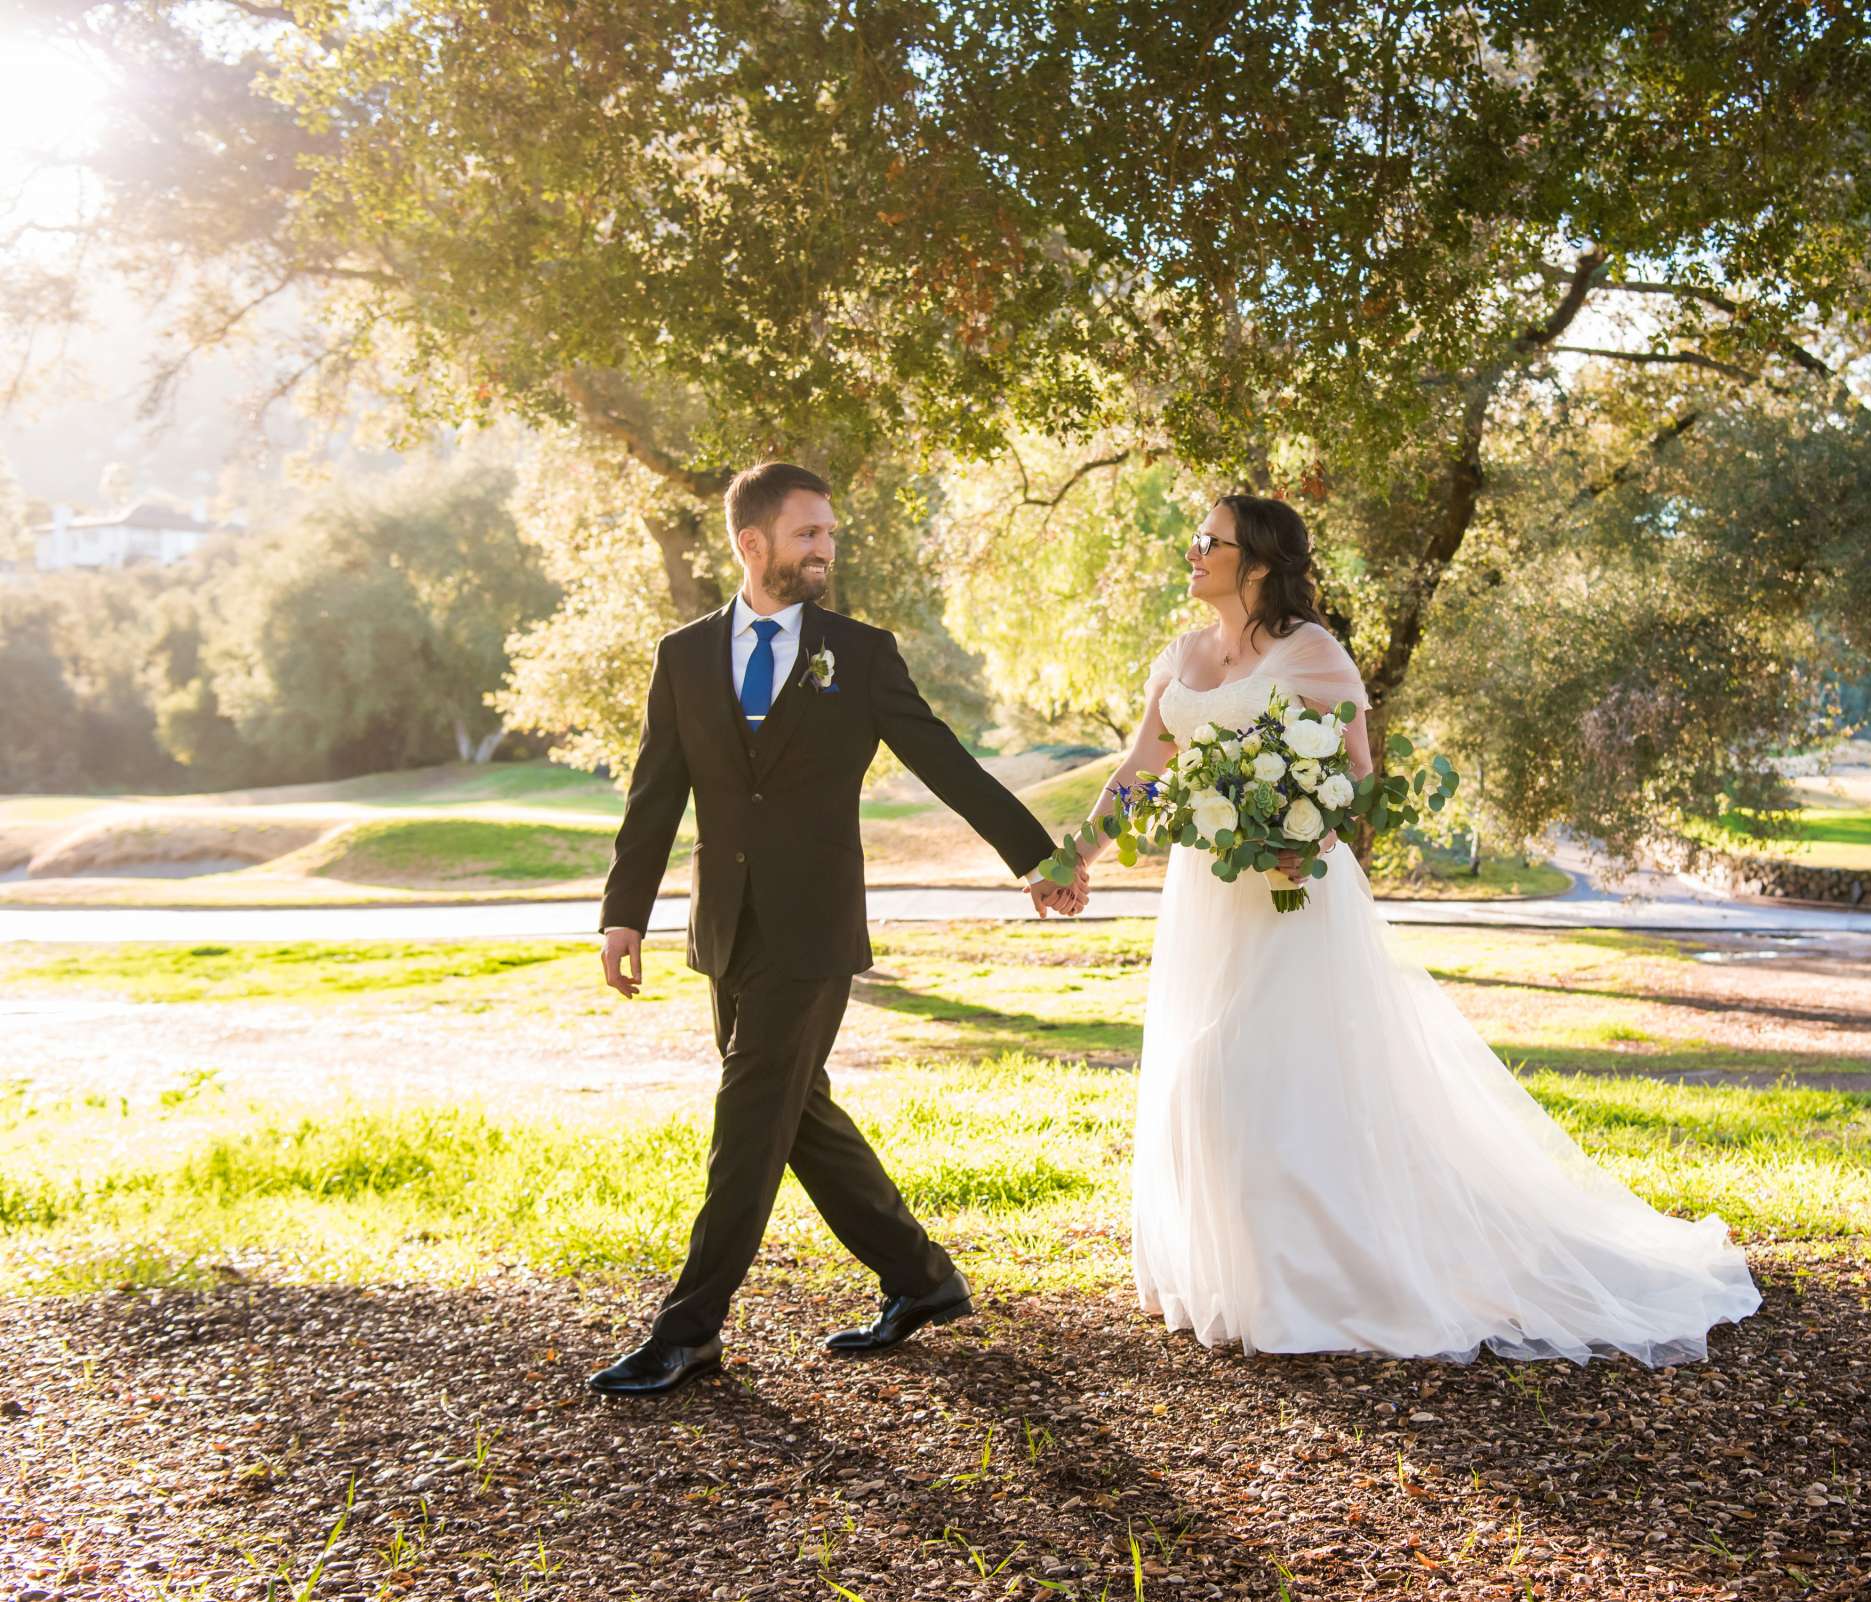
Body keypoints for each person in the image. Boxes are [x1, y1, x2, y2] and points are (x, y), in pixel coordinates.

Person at [1071, 493, 1760, 1364]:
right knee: (1200, 1076)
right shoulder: (1183, 656)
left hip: (1290, 900)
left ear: (1258, 563)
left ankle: (1319, 1283)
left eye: (1211, 540)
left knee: (1255, 1073)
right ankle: (1240, 1281)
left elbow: (1358, 780)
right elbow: (1140, 771)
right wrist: (1077, 858)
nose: (1194, 549)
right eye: (1197, 536)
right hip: (1207, 897)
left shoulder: (1311, 654)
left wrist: (1303, 833)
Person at [588, 462, 1089, 1396]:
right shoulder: (683, 655)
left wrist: (1037, 856)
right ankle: (921, 1278)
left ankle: (689, 1329)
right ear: (753, 544)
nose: (825, 550)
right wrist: (625, 913)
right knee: (796, 1114)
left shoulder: (858, 653)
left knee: (747, 1118)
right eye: (808, 534)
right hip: (724, 929)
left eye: (830, 535)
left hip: (814, 930)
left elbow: (945, 760)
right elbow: (656, 793)